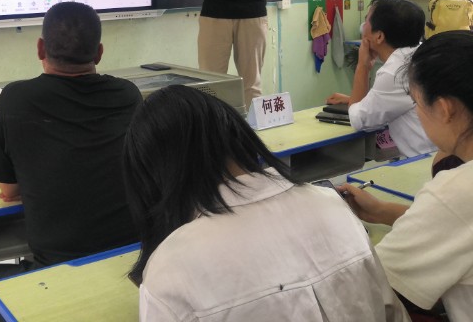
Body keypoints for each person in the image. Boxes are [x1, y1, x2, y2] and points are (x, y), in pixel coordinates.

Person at [122, 85, 407, 321]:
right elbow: (393, 313)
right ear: (237, 134)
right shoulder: (334, 206)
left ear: (154, 176)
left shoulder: (170, 269)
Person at [0, 1, 141, 322]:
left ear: (40, 48)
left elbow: (8, 191)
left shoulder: (16, 98)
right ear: (99, 53)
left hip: (59, 274)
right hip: (132, 266)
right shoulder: (128, 95)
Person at [338, 31, 473, 320]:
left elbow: (372, 284)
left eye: (416, 102)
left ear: (444, 109)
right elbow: (457, 225)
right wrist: (383, 211)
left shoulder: (456, 189)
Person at [327, 0, 435, 157]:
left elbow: (359, 120)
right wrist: (352, 100)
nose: (363, 26)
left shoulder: (395, 72)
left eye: (366, 20)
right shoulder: (422, 53)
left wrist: (362, 67)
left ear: (379, 36)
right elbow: (395, 100)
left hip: (428, 162)